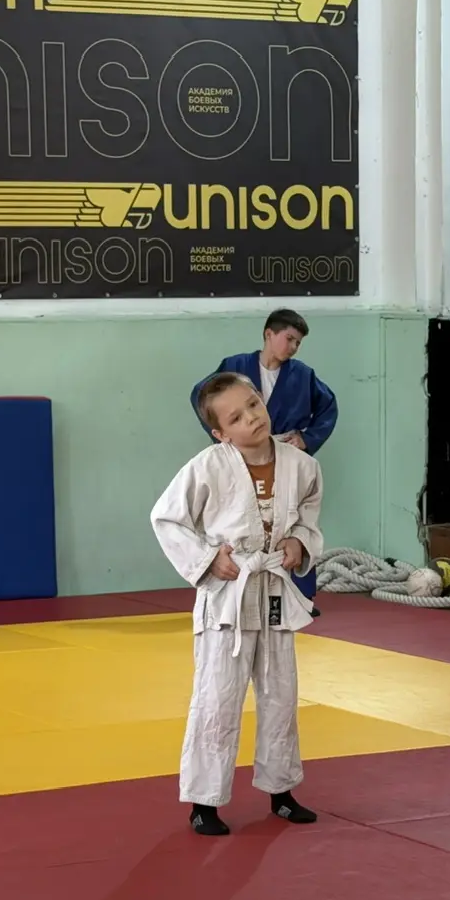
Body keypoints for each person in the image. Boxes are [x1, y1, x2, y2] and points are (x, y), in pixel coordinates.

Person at [153, 372, 324, 837]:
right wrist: (208, 559)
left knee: (281, 695)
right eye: (236, 417)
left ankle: (281, 792)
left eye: (253, 404)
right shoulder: (207, 466)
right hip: (227, 595)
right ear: (220, 433)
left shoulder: (301, 465)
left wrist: (298, 541)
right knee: (218, 697)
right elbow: (167, 518)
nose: (251, 418)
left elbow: (309, 512)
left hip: (273, 591)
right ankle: (204, 801)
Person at [191, 310, 337, 604]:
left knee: (292, 521)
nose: (293, 347)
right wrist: (224, 436)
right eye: (289, 338)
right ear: (269, 334)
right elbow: (202, 396)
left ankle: (299, 596)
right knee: (240, 520)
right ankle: (237, 590)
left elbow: (328, 407)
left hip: (283, 454)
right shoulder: (235, 367)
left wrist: (306, 439)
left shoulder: (303, 375)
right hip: (242, 456)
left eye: (298, 343)